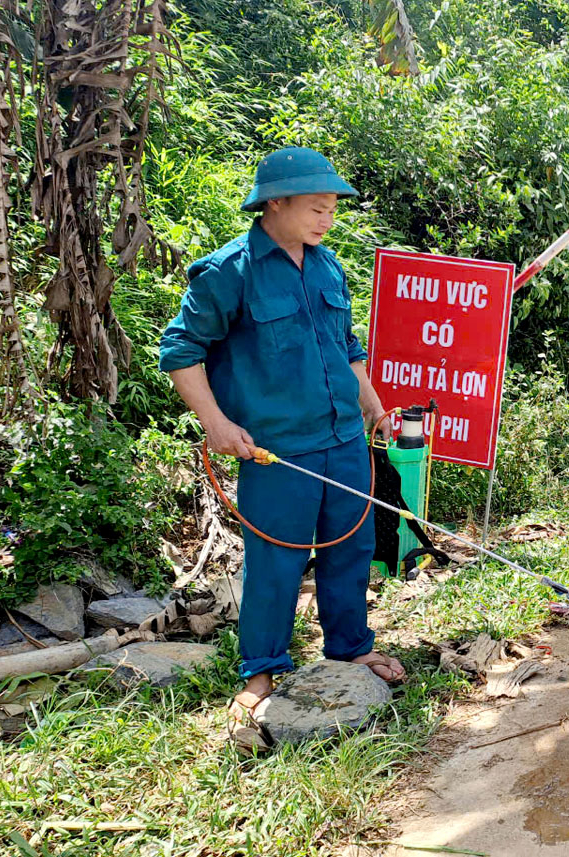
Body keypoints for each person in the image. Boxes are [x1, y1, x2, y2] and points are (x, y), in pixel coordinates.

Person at [159, 146, 403, 749]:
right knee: (277, 559)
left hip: (344, 437)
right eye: (316, 208)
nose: (327, 218)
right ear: (275, 203)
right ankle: (262, 669)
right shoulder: (229, 271)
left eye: (332, 209)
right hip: (278, 451)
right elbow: (180, 352)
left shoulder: (326, 266)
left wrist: (371, 403)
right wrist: (215, 422)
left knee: (352, 546)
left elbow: (344, 344)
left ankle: (351, 649)